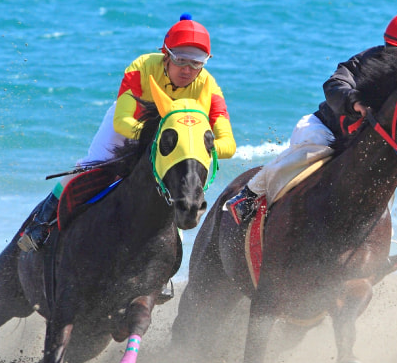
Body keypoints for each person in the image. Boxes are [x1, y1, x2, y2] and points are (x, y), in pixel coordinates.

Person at [17, 14, 236, 252]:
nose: (188, 70)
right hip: (133, 122)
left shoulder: (209, 86)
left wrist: (196, 146)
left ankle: (167, 263)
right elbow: (122, 122)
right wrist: (158, 137)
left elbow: (228, 144)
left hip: (175, 142)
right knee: (89, 165)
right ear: (166, 55)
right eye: (181, 59)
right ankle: (39, 226)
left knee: (180, 189)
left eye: (197, 63)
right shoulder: (142, 67)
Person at [224, 9, 397, 225]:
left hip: (359, 146)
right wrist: (354, 101)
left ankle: (383, 245)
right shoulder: (365, 60)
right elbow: (334, 85)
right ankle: (249, 195)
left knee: (382, 183)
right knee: (306, 155)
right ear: (388, 46)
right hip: (325, 128)